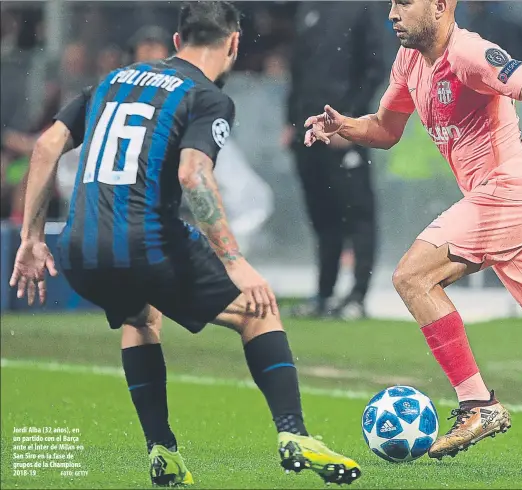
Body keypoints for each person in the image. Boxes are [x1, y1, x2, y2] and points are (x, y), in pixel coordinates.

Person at [9, 2, 360, 486]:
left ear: (178, 42)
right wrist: (235, 262)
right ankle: (294, 434)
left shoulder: (114, 80)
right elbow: (193, 173)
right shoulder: (205, 96)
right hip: (145, 240)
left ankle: (163, 452)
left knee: (139, 316)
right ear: (233, 44)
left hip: (78, 247)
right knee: (258, 310)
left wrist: (30, 237)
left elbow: (48, 145)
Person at [304, 0, 522, 460]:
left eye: (405, 2)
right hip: (519, 208)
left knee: (412, 276)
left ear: (440, 6)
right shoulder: (410, 61)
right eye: (392, 4)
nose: (393, 14)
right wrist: (344, 127)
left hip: (510, 193)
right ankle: (480, 404)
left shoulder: (469, 52)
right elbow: (385, 128)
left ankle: (478, 404)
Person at [283, 2, 386, 319]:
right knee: (322, 215)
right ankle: (324, 294)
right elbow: (297, 70)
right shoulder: (308, 9)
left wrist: (350, 122)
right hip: (308, 130)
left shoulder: (362, 8)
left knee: (358, 214)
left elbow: (375, 68)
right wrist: (290, 120)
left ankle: (357, 297)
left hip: (344, 133)